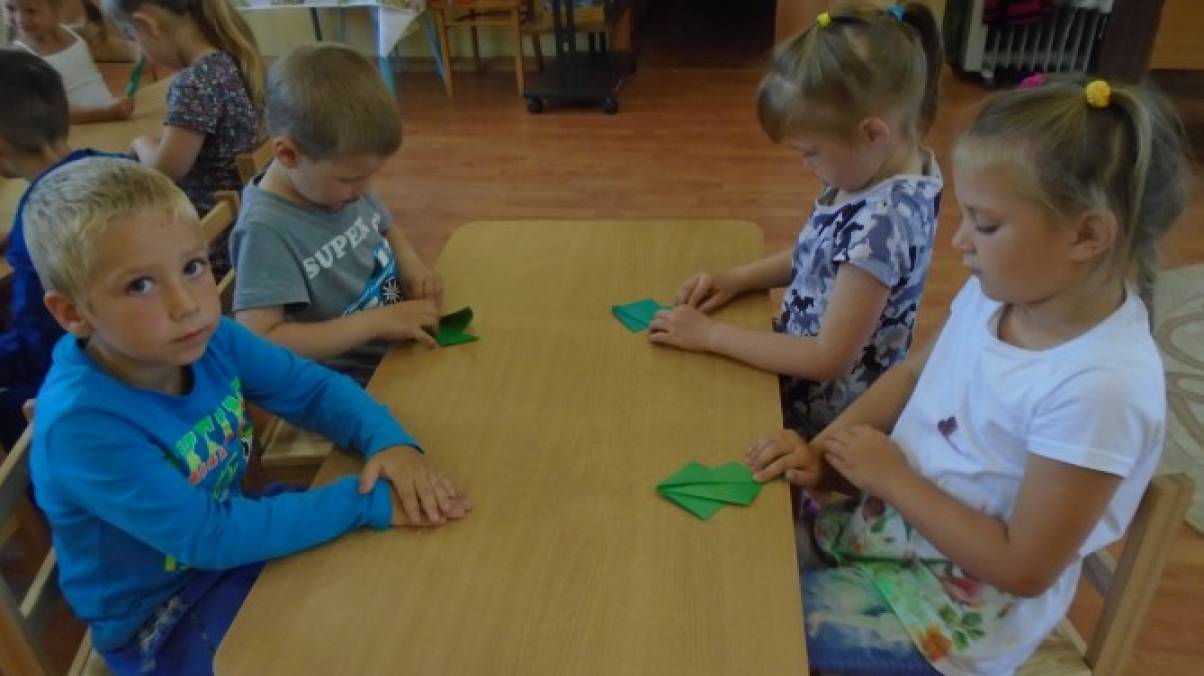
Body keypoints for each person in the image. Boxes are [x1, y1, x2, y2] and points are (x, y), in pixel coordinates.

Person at [748, 77, 1190, 674]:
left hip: (948, 617)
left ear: (1087, 234)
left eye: (984, 224)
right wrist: (822, 454)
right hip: (883, 535)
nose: (959, 241)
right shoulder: (1004, 292)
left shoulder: (1102, 389)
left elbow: (1023, 569)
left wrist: (892, 479)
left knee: (753, 629)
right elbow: (912, 372)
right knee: (734, 554)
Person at [25, 157, 472, 675]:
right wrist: (364, 502)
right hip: (164, 615)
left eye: (193, 267)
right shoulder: (81, 428)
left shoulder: (209, 338)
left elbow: (310, 390)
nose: (187, 304)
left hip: (236, 539)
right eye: (140, 286)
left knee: (412, 594)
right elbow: (209, 538)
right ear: (73, 313)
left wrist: (386, 440)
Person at [650, 2, 944, 443]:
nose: (806, 165)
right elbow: (821, 254)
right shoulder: (878, 170)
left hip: (819, 423)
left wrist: (711, 334)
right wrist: (738, 278)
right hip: (797, 377)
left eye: (810, 152)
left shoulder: (884, 224)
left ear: (872, 133)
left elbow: (827, 358)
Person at [231, 44, 442, 385]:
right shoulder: (265, 230)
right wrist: (378, 322)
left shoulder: (335, 187)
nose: (364, 190)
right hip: (353, 381)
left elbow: (385, 226)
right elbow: (260, 339)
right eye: (350, 179)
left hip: (398, 342)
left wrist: (410, 262)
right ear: (288, 154)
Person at [102, 0, 265, 273]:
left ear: (147, 25)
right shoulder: (230, 61)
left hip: (216, 242)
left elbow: (163, 170)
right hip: (247, 222)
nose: (137, 52)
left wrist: (141, 142)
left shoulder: (193, 83)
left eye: (132, 36)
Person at [7, 0, 134, 123]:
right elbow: (46, 112)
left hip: (110, 120)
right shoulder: (19, 56)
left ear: (57, 8)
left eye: (31, 11)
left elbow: (108, 44)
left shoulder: (76, 34)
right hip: (77, 131)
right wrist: (105, 113)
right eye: (10, 9)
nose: (20, 19)